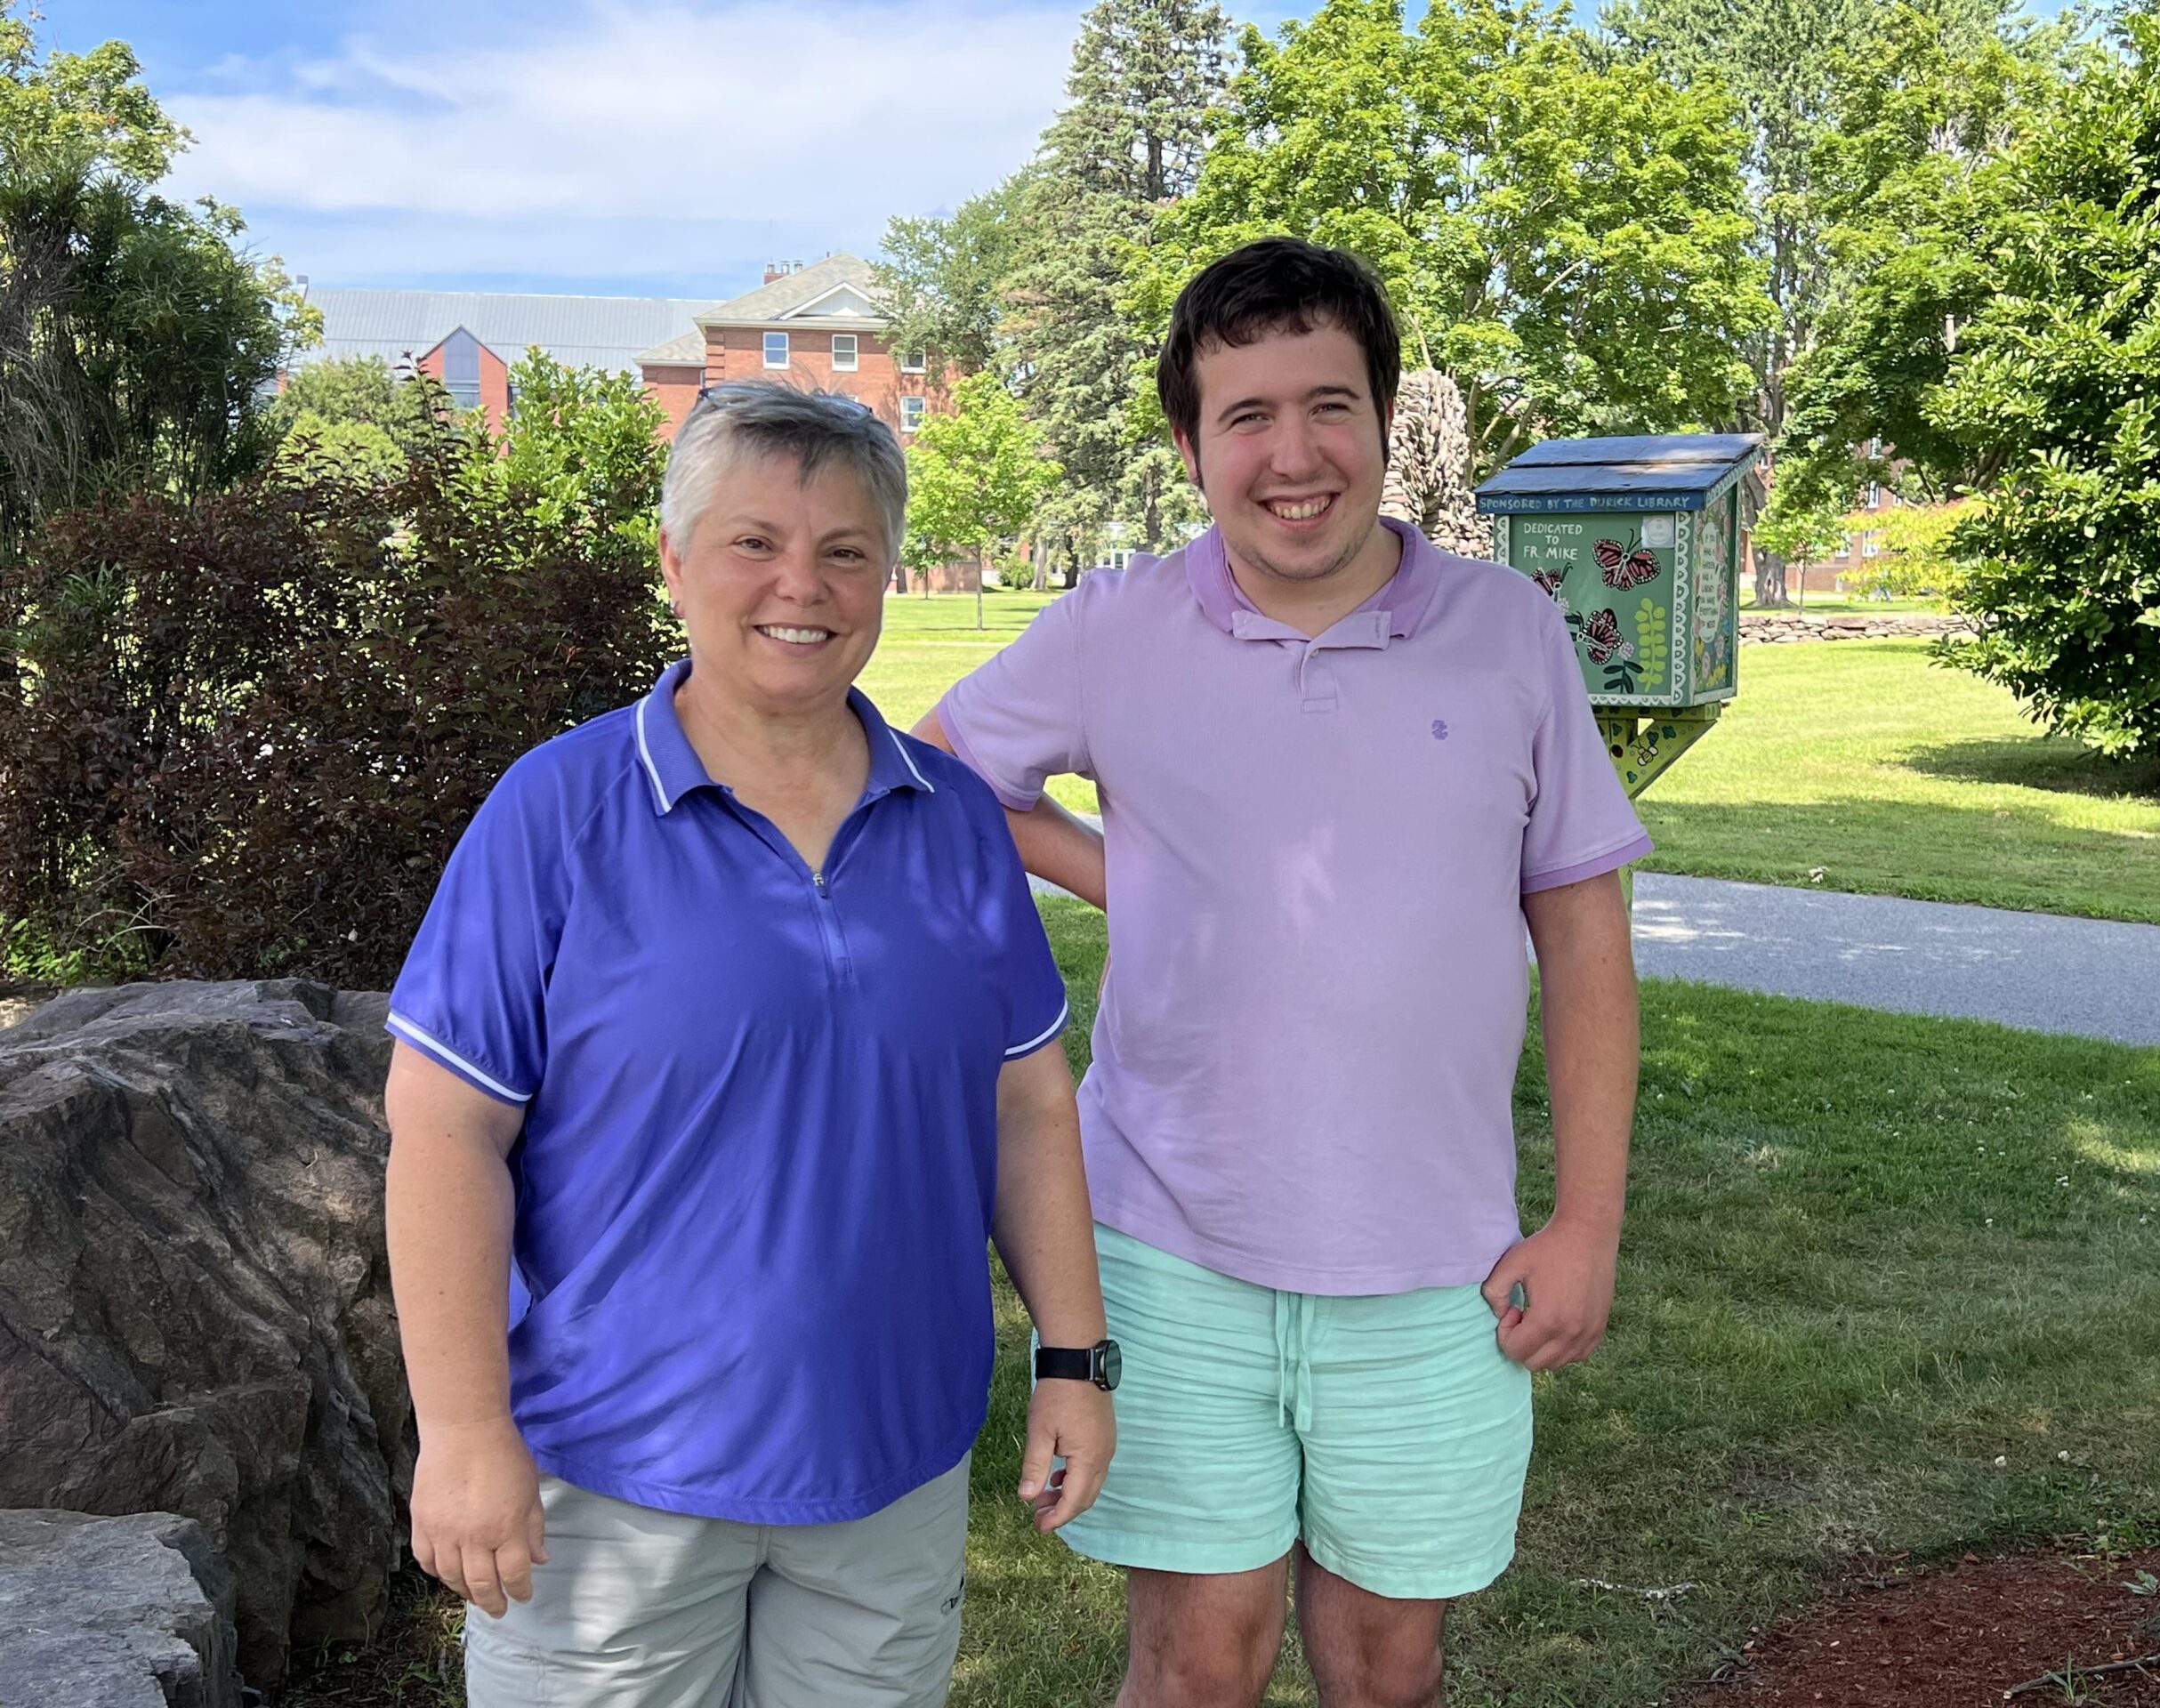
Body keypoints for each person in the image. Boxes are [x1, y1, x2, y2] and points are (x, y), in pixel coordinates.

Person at [914, 238, 1648, 1708]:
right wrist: (1130, 872)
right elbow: (939, 774)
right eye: (1247, 416)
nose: (1293, 455)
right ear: (1192, 447)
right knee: (1199, 1662)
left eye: (1331, 406)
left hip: (1440, 1260)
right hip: (1171, 1240)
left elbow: (1582, 932)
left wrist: (1586, 1222)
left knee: (1390, 1671)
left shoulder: (1509, 632)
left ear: (1383, 422)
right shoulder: (1117, 623)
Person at [383, 383, 1117, 1708]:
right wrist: (463, 1430)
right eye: (755, 543)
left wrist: (1071, 1356)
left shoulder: (956, 819)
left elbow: (1026, 1106)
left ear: (888, 574)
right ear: (674, 564)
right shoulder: (553, 814)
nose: (805, 584)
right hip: (612, 1481)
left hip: (890, 1478)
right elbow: (443, 1131)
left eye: (846, 550)